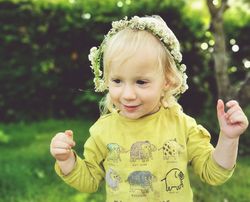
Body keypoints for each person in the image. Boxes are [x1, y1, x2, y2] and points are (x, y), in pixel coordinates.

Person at [50, 15, 248, 202]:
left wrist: (229, 138)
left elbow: (213, 173)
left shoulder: (180, 125)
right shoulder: (103, 131)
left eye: (141, 82)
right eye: (117, 80)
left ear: (167, 81)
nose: (127, 94)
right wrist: (67, 160)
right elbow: (89, 180)